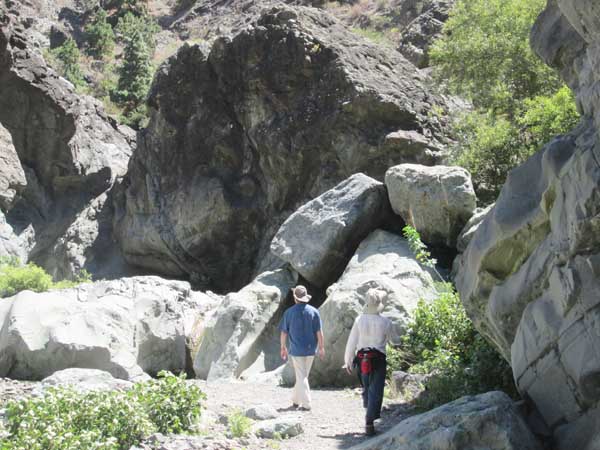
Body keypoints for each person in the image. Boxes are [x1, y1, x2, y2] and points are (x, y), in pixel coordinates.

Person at [343, 289, 392, 436]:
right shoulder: (386, 322)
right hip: (378, 359)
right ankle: (369, 422)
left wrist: (348, 361)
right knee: (376, 390)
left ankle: (368, 409)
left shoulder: (359, 320)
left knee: (366, 386)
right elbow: (393, 340)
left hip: (361, 358)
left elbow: (351, 342)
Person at [279, 285, 325, 411]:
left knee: (301, 376)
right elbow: (319, 332)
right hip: (311, 350)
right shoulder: (314, 311)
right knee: (302, 376)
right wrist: (321, 347)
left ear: (295, 298)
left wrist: (283, 347)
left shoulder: (289, 312)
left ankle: (306, 404)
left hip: (296, 350)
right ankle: (295, 400)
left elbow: (284, 332)